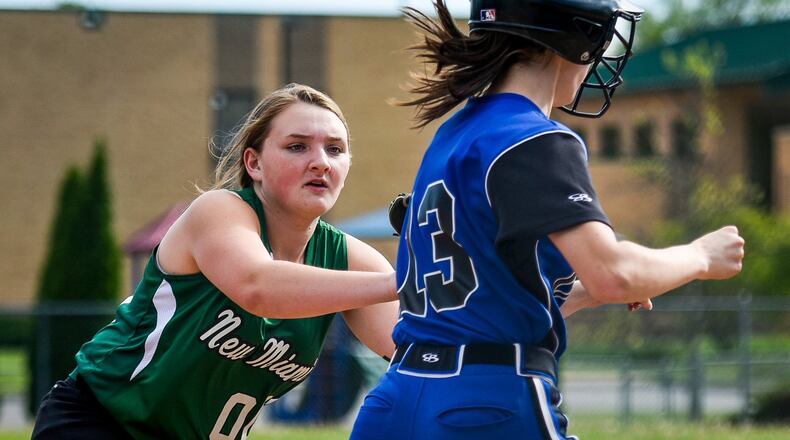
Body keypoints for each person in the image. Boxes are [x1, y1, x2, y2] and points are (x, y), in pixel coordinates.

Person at [350, 1, 745, 439]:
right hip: (485, 403)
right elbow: (615, 273)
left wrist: (587, 294)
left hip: (397, 399)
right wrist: (701, 255)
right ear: (577, 36)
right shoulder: (534, 136)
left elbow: (480, 303)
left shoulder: (455, 132)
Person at [31, 83, 400, 439]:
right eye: (297, 146)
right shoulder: (219, 211)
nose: (320, 162)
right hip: (102, 421)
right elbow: (257, 286)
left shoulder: (351, 259)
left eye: (335, 149)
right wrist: (405, 280)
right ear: (253, 163)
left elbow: (417, 346)